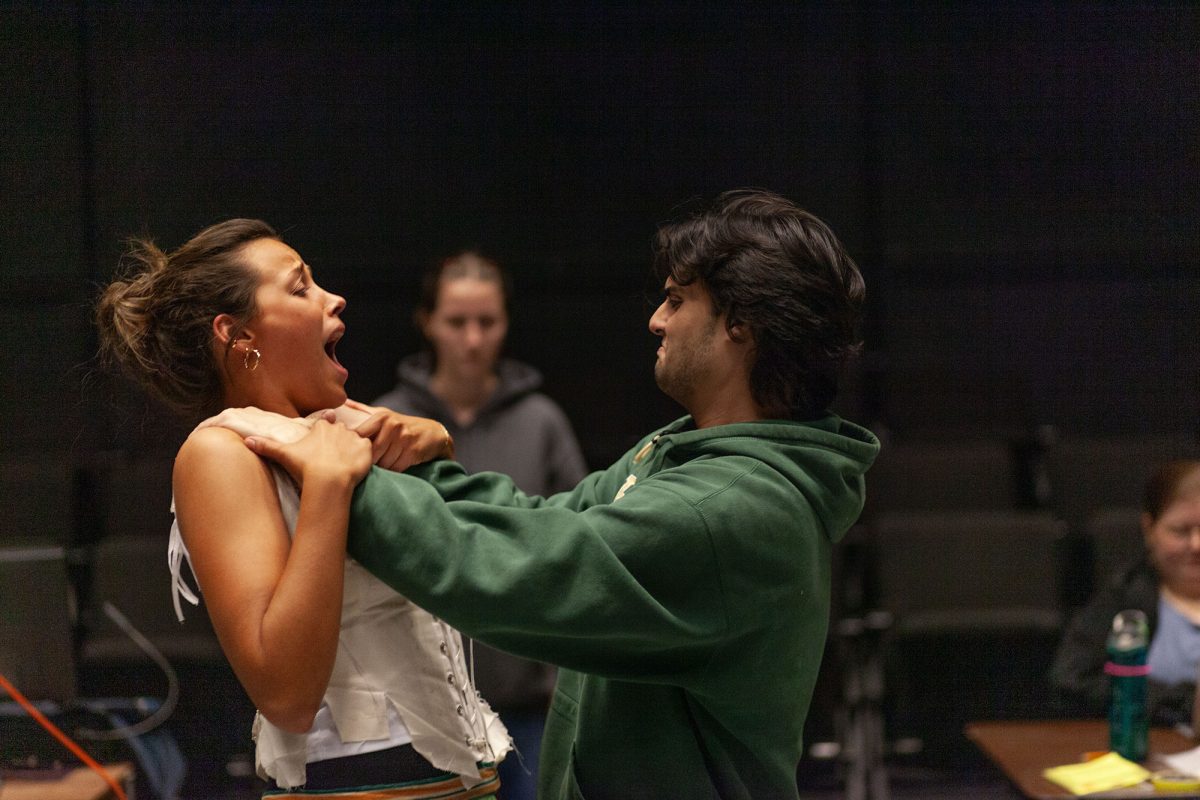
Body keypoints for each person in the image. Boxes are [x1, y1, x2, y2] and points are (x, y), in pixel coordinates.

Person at [247, 189, 880, 799]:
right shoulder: (681, 452)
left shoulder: (728, 508)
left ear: (739, 324)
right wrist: (420, 465)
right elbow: (540, 521)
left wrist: (339, 477)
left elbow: (519, 572)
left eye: (678, 300)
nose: (657, 319)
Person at [95, 219, 510, 799]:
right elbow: (286, 695)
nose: (333, 298)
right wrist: (327, 488)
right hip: (355, 784)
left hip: (461, 779)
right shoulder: (219, 450)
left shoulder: (339, 427)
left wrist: (437, 441)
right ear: (238, 336)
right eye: (300, 287)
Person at [373, 250, 588, 798]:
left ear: (507, 324)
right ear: (427, 322)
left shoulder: (541, 421)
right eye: (456, 322)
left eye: (487, 322)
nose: (472, 339)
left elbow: (579, 543)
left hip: (529, 706)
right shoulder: (385, 421)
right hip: (416, 711)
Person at [1052, 460, 1200, 726]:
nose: (1196, 545)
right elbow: (1072, 678)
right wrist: (1182, 702)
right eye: (1180, 531)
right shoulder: (1127, 595)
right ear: (1149, 529)